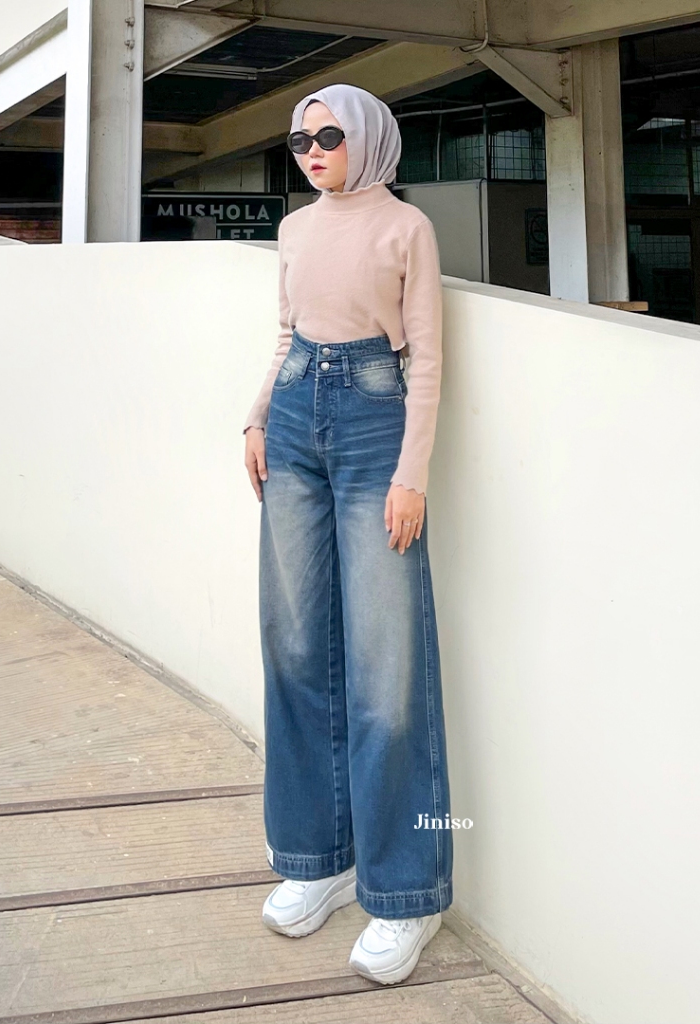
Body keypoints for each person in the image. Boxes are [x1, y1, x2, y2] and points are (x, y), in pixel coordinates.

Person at [242, 83, 451, 986]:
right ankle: (316, 858)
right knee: (294, 649)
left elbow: (426, 357)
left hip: (375, 427)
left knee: (386, 669)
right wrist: (256, 418)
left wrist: (412, 475)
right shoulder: (294, 229)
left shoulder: (407, 228)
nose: (313, 151)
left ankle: (408, 893)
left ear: (366, 137)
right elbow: (286, 335)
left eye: (328, 135)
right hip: (292, 420)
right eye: (300, 141)